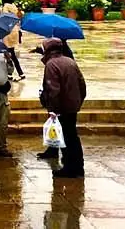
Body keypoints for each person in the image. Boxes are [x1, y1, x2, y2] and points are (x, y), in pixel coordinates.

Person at [38, 37, 87, 178]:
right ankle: (78, 167)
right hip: (73, 106)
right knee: (73, 136)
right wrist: (78, 101)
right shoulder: (70, 61)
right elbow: (82, 84)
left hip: (61, 108)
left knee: (66, 137)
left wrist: (53, 110)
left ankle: (70, 168)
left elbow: (53, 90)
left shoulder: (51, 65)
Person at [0, 0, 27, 82]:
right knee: (10, 52)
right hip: (14, 30)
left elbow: (5, 18)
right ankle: (12, 74)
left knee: (8, 53)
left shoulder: (5, 7)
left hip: (7, 31)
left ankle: (17, 73)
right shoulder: (14, 6)